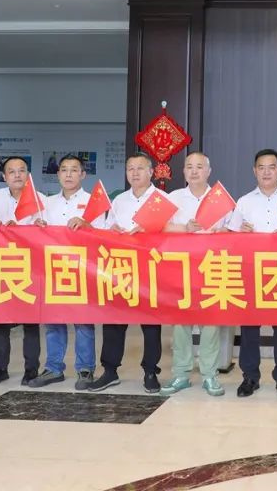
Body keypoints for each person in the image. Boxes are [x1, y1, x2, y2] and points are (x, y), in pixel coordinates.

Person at [227, 149, 277, 398]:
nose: (266, 172)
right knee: (249, 329)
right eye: (261, 167)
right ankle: (250, 377)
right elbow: (230, 238)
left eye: (271, 167)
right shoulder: (244, 201)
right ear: (254, 171)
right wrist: (241, 233)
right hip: (251, 272)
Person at [89, 152, 167, 393]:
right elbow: (105, 230)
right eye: (130, 168)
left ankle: (150, 371)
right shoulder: (119, 200)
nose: (134, 173)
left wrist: (150, 230)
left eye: (140, 168)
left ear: (151, 172)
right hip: (121, 267)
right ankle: (110, 370)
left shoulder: (162, 200)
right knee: (114, 320)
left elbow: (175, 233)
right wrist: (111, 230)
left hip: (151, 269)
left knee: (151, 323)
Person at [28, 154, 104, 390]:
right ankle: (53, 368)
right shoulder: (46, 203)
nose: (68, 174)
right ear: (58, 174)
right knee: (53, 321)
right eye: (64, 170)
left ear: (83, 174)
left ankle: (85, 369)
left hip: (84, 269)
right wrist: (37, 227)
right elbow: (35, 237)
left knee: (83, 321)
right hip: (52, 269)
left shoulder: (93, 202)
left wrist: (87, 225)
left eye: (74, 170)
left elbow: (106, 237)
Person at [161, 152, 231, 398]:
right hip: (182, 268)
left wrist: (222, 231)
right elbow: (160, 226)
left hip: (212, 266)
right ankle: (181, 373)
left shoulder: (221, 199)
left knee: (210, 324)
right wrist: (185, 228)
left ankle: (209, 374)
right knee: (181, 323)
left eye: (199, 167)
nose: (194, 171)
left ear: (208, 171)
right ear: (183, 171)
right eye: (189, 166)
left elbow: (232, 231)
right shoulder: (173, 198)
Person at [0, 156, 43, 387]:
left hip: (31, 268)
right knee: (0, 320)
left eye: (21, 170)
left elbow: (48, 234)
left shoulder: (40, 200)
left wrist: (28, 229)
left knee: (31, 322)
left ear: (28, 174)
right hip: (2, 267)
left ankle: (31, 369)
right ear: (4, 176)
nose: (17, 175)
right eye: (12, 171)